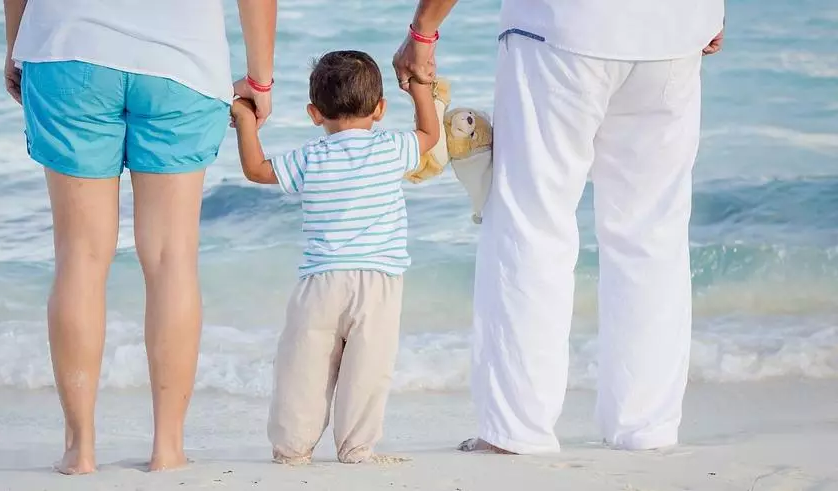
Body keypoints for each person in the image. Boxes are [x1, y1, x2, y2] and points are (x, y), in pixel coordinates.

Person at [394, 0, 725, 453]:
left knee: (532, 222)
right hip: (675, 30)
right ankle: (646, 426)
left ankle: (518, 429)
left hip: (561, 27)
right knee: (652, 231)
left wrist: (424, 30)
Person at [2, 0, 276, 474]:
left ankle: (80, 449)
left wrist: (16, 46)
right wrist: (260, 78)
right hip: (182, 63)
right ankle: (167, 448)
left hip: (68, 48)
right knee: (172, 258)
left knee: (80, 257)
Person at [230, 51, 439, 464]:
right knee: (369, 368)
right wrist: (420, 89)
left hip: (320, 281)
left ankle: (292, 448)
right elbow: (430, 135)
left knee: (302, 366)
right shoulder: (393, 148)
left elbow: (256, 169)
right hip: (379, 280)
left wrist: (245, 118)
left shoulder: (309, 157)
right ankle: (357, 448)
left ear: (313, 113)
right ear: (379, 109)